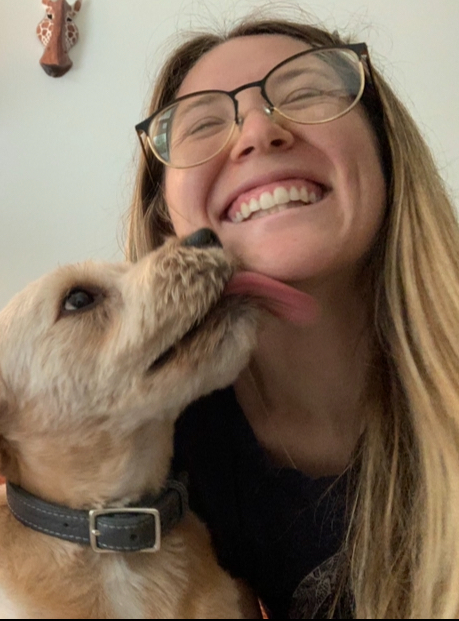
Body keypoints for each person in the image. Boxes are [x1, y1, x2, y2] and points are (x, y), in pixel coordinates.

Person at [125, 15, 459, 619]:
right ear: (163, 220)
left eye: (305, 94)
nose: (258, 130)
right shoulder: (156, 452)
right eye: (202, 124)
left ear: (386, 153)